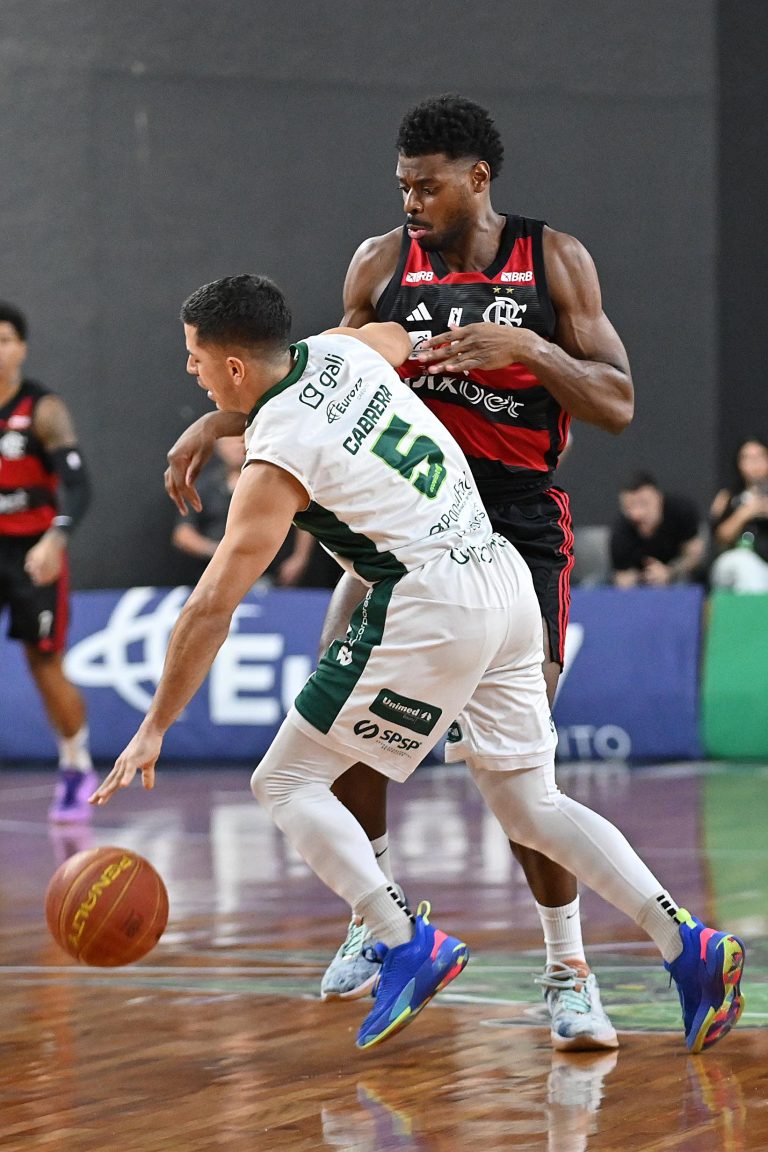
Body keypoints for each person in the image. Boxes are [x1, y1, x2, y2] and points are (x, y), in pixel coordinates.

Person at [90, 273, 744, 1056]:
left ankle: (403, 939)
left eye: (195, 358)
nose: (190, 369)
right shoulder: (345, 349)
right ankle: (688, 944)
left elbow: (210, 607)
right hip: (501, 576)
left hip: (432, 603)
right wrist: (218, 421)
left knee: (285, 782)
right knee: (531, 804)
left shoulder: (274, 462)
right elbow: (399, 341)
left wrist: (155, 725)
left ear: (233, 366)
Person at [163, 95, 635, 1050]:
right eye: (402, 185)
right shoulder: (381, 263)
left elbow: (619, 401)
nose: (411, 200)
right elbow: (314, 376)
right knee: (333, 732)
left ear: (478, 178)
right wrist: (221, 415)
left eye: (427, 185)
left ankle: (569, 968)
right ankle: (376, 918)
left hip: (511, 522)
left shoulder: (554, 260)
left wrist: (531, 348)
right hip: (400, 526)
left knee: (515, 774)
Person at [0, 301, 95, 821]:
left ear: (21, 348)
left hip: (32, 551)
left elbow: (78, 487)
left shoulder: (42, 409)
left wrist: (54, 540)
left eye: (4, 341)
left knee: (43, 663)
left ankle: (76, 765)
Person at [171, 435, 316, 586]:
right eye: (229, 442)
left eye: (241, 441)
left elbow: (304, 515)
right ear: (218, 446)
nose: (236, 447)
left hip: (267, 575)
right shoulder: (205, 486)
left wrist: (300, 557)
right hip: (215, 575)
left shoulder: (274, 482)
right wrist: (217, 551)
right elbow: (183, 533)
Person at [610, 472, 706, 587]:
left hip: (679, 577)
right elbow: (621, 575)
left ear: (659, 498)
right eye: (629, 507)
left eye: (644, 504)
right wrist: (640, 578)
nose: (638, 513)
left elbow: (694, 557)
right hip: (640, 584)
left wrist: (670, 572)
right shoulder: (620, 530)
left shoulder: (681, 511)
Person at [708, 437, 768, 593]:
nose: (754, 463)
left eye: (759, 456)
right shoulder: (727, 497)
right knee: (744, 563)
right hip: (733, 563)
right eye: (747, 458)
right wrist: (745, 513)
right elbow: (719, 539)